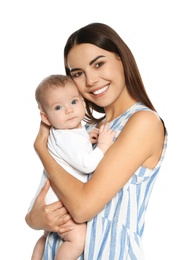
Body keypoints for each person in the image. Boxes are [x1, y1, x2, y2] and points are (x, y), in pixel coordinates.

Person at [25, 22, 168, 260]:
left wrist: (41, 149)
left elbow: (82, 209)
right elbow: (49, 200)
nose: (90, 80)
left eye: (99, 64)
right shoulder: (85, 129)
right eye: (78, 73)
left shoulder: (143, 122)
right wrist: (33, 219)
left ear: (121, 59)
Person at [28, 74, 115, 260]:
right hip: (60, 204)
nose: (69, 110)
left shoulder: (69, 132)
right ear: (46, 118)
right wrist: (102, 146)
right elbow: (86, 164)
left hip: (50, 200)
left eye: (74, 102)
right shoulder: (67, 137)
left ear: (83, 103)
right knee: (77, 239)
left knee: (46, 236)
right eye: (58, 107)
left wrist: (87, 136)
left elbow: (74, 148)